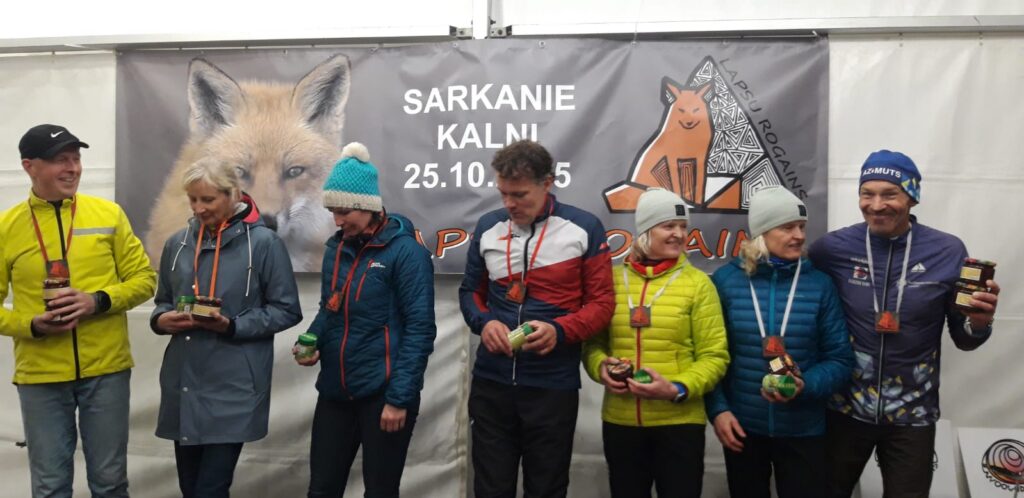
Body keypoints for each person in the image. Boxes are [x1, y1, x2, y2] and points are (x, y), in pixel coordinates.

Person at [808, 150, 1000, 497]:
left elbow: (964, 338)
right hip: (843, 409)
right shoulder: (831, 249)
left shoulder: (947, 251)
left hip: (913, 415)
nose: (876, 205)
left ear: (912, 196)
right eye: (867, 194)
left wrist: (978, 323)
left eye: (890, 194)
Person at [0, 124, 157, 497]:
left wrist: (97, 300)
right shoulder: (6, 227)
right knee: (50, 486)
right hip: (40, 375)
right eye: (60, 160)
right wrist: (30, 325)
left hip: (106, 371)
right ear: (29, 166)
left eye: (76, 159)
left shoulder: (108, 215)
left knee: (110, 482)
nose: (72, 168)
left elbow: (145, 280)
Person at [459, 139, 615, 498]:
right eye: (503, 194)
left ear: (547, 183)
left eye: (519, 195)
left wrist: (560, 330)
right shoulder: (488, 226)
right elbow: (470, 292)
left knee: (546, 489)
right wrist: (485, 322)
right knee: (490, 489)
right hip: (492, 383)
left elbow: (602, 304)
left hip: (551, 386)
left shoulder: (584, 227)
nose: (509, 204)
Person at [150, 157, 302, 497]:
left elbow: (286, 310)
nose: (198, 208)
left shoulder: (264, 244)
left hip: (233, 385)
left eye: (208, 199)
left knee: (211, 488)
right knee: (191, 488)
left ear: (232, 194)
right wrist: (161, 319)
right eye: (193, 199)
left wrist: (231, 326)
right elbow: (162, 301)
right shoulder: (177, 243)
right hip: (184, 381)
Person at [294, 142, 436, 498]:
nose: (338, 221)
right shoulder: (336, 249)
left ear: (368, 207)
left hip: (383, 394)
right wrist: (310, 340)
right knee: (321, 489)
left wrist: (399, 399)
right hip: (335, 391)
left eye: (344, 212)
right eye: (332, 212)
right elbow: (330, 309)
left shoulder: (407, 253)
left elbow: (420, 329)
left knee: (380, 491)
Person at [707, 186, 854, 498]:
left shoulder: (820, 284)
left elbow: (840, 359)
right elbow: (711, 355)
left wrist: (805, 384)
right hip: (743, 427)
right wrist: (719, 410)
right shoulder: (726, 281)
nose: (799, 236)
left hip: (804, 429)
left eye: (801, 227)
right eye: (787, 227)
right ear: (762, 232)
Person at [583, 188, 729, 498]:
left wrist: (676, 388)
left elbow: (715, 356)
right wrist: (600, 367)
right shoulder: (611, 280)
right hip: (621, 422)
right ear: (647, 230)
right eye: (668, 226)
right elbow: (593, 343)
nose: (679, 234)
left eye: (683, 226)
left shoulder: (699, 285)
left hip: (679, 423)